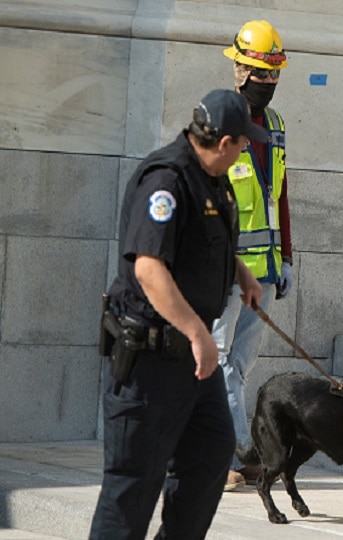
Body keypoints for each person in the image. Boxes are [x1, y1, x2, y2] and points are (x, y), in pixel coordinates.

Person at [90, 88, 266, 539]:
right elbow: (149, 268)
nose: (247, 150)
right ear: (224, 143)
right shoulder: (166, 181)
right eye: (244, 143)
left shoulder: (211, 179)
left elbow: (202, 241)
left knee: (210, 454)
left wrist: (240, 273)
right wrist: (197, 333)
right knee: (133, 486)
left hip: (190, 364)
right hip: (151, 360)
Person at [210, 20, 293, 491]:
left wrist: (288, 260)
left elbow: (280, 196)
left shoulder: (275, 127)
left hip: (266, 273)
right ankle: (235, 455)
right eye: (262, 75)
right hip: (226, 273)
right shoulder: (220, 123)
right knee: (218, 363)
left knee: (238, 367)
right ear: (239, 70)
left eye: (274, 76)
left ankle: (231, 452)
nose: (269, 85)